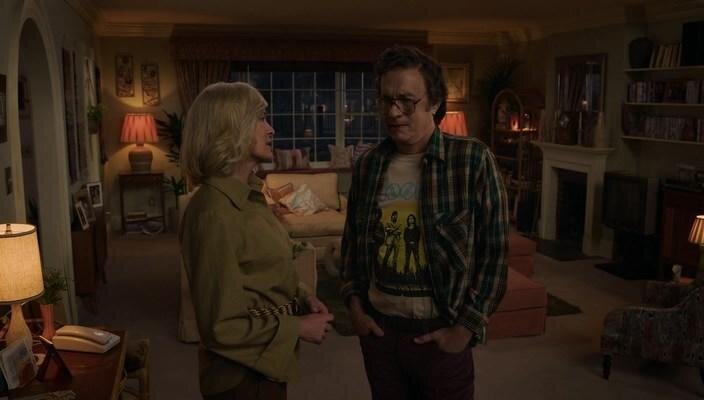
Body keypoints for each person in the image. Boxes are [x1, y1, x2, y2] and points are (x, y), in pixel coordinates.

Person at [341, 45, 509, 400]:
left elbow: (494, 257)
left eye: (406, 101)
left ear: (434, 102)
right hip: (380, 335)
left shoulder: (473, 161)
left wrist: (464, 330)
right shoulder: (368, 165)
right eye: (386, 100)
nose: (393, 112)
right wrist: (355, 307)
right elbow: (352, 245)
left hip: (441, 336)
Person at [179, 82, 333, 400]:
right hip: (242, 380)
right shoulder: (213, 212)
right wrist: (299, 328)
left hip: (268, 366)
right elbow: (220, 326)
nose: (271, 128)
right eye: (260, 118)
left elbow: (263, 270)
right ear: (231, 127)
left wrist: (302, 296)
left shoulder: (251, 196)